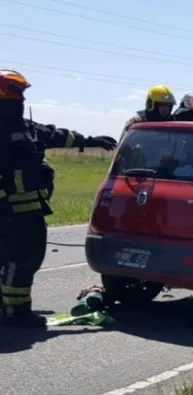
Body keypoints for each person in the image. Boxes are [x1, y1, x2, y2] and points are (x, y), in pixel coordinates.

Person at [0, 69, 117, 326]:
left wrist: (91, 140)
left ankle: (9, 306)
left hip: (29, 209)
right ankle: (15, 312)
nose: (21, 100)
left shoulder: (24, 126)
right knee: (21, 260)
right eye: (17, 94)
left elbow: (57, 135)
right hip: (11, 210)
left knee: (20, 258)